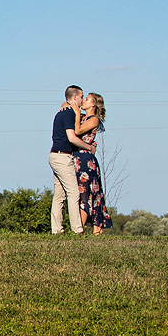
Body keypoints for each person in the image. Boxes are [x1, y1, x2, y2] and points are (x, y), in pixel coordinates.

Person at [48, 85, 94, 235]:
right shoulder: (68, 113)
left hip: (55, 155)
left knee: (59, 195)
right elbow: (72, 137)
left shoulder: (64, 111)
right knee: (73, 193)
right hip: (62, 156)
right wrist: (88, 147)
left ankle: (57, 230)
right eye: (81, 97)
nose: (82, 99)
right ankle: (77, 229)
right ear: (75, 97)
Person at [68, 92, 112, 235]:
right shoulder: (81, 116)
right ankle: (83, 227)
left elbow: (78, 130)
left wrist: (75, 112)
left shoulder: (94, 120)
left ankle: (81, 229)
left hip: (86, 160)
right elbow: (65, 105)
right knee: (79, 194)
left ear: (93, 104)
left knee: (86, 195)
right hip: (76, 157)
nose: (84, 101)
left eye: (87, 99)